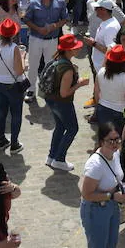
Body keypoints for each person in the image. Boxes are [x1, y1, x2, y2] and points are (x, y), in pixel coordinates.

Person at [81, 120, 125, 248]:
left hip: (111, 206)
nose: (115, 143)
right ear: (102, 141)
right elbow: (87, 194)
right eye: (111, 140)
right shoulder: (95, 165)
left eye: (117, 139)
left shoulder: (115, 154)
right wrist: (113, 196)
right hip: (96, 209)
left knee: (111, 243)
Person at [41, 33, 87, 172]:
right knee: (73, 128)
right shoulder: (67, 69)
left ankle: (51, 157)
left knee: (60, 126)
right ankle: (59, 159)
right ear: (67, 50)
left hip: (51, 100)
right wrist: (79, 84)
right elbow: (64, 93)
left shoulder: (57, 58)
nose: (78, 50)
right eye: (75, 48)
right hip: (62, 103)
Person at [0, 17, 26, 153]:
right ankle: (14, 143)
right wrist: (23, 56)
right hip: (13, 85)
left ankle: (1, 140)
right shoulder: (14, 48)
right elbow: (19, 70)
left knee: (1, 112)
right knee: (16, 114)